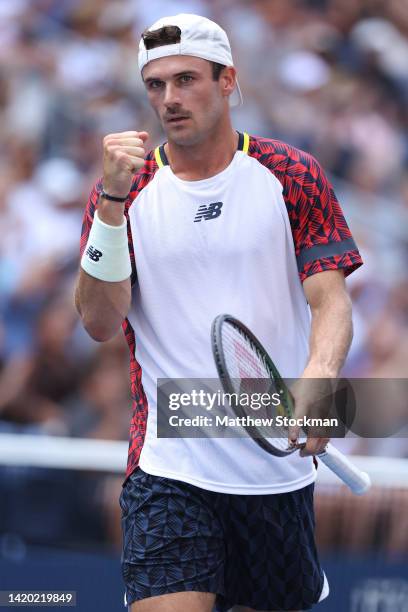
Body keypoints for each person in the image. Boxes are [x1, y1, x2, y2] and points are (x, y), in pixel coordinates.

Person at [75, 13, 363, 612]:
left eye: (186, 80)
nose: (169, 99)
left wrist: (320, 376)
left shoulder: (292, 174)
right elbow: (100, 323)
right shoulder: (125, 191)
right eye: (156, 85)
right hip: (166, 467)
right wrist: (109, 204)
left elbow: (330, 299)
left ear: (228, 80)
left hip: (275, 477)